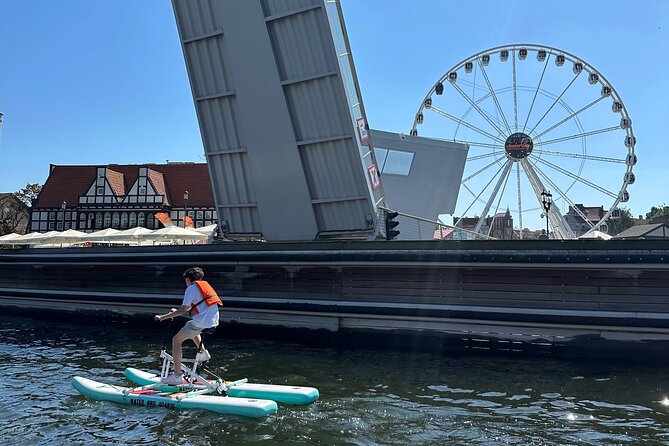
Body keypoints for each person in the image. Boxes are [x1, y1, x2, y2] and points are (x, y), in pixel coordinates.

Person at [154, 267, 222, 385]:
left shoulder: (191, 287)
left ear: (188, 279)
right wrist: (175, 311)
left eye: (185, 280)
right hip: (213, 320)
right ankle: (203, 353)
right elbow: (190, 307)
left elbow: (184, 309)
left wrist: (163, 317)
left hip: (202, 322)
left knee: (176, 341)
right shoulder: (204, 286)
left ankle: (177, 376)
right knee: (189, 324)